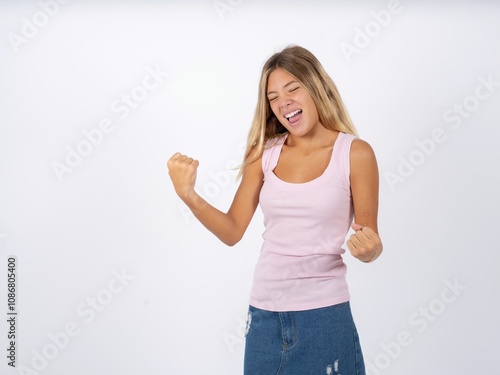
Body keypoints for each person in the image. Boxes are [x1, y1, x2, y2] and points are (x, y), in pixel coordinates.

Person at [167, 45, 383, 375]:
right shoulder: (264, 154)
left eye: (293, 88)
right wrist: (189, 195)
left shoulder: (355, 153)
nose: (283, 102)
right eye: (273, 97)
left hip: (325, 317)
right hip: (265, 317)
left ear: (317, 87)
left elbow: (369, 242)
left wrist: (369, 249)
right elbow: (232, 230)